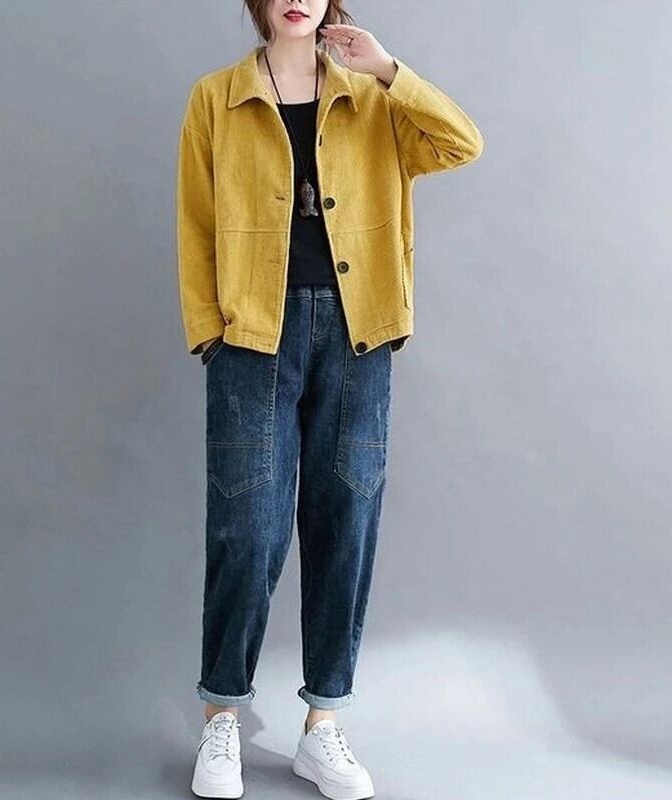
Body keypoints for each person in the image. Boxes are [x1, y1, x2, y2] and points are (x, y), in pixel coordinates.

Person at [175, 2, 483, 797]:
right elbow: (196, 221)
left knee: (346, 523)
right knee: (247, 531)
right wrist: (210, 332)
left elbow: (460, 143)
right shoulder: (217, 96)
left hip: (358, 335)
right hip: (253, 336)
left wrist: (389, 69)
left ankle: (323, 724)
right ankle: (222, 715)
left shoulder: (373, 94)